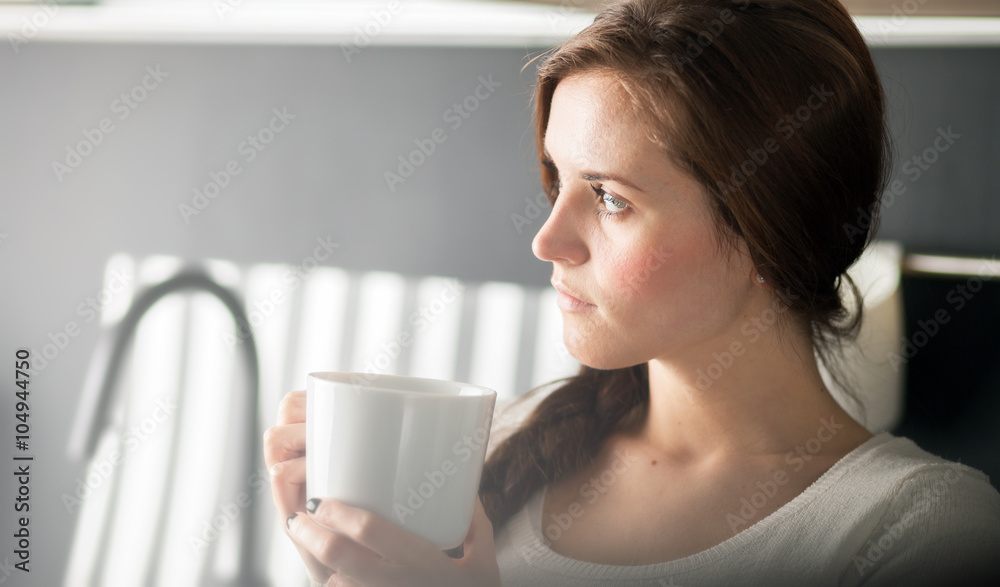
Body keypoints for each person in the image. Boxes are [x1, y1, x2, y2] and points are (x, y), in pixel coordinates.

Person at [263, 0, 1000, 585]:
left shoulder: (922, 532)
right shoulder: (490, 449)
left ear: (770, 234)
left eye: (611, 199)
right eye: (558, 180)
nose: (546, 240)